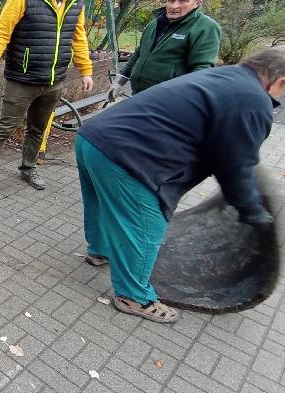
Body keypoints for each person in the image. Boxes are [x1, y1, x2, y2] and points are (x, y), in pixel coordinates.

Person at [76, 47, 285, 323]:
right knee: (147, 228)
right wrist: (252, 211)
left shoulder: (224, 76)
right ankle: (134, 296)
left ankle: (100, 251)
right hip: (130, 158)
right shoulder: (253, 100)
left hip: (93, 137)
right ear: (279, 81)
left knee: (102, 204)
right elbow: (236, 166)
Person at [0, 0, 94, 194]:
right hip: (22, 80)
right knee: (6, 126)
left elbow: (79, 39)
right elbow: (1, 34)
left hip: (54, 81)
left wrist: (86, 70)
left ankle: (28, 169)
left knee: (38, 129)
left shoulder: (76, 3)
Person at [108, 0, 221, 100]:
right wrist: (118, 83)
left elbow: (202, 70)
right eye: (171, 0)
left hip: (169, 101)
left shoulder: (204, 27)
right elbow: (139, 54)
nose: (174, 6)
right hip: (139, 95)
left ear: (197, 3)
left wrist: (188, 101)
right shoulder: (155, 23)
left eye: (183, 1)